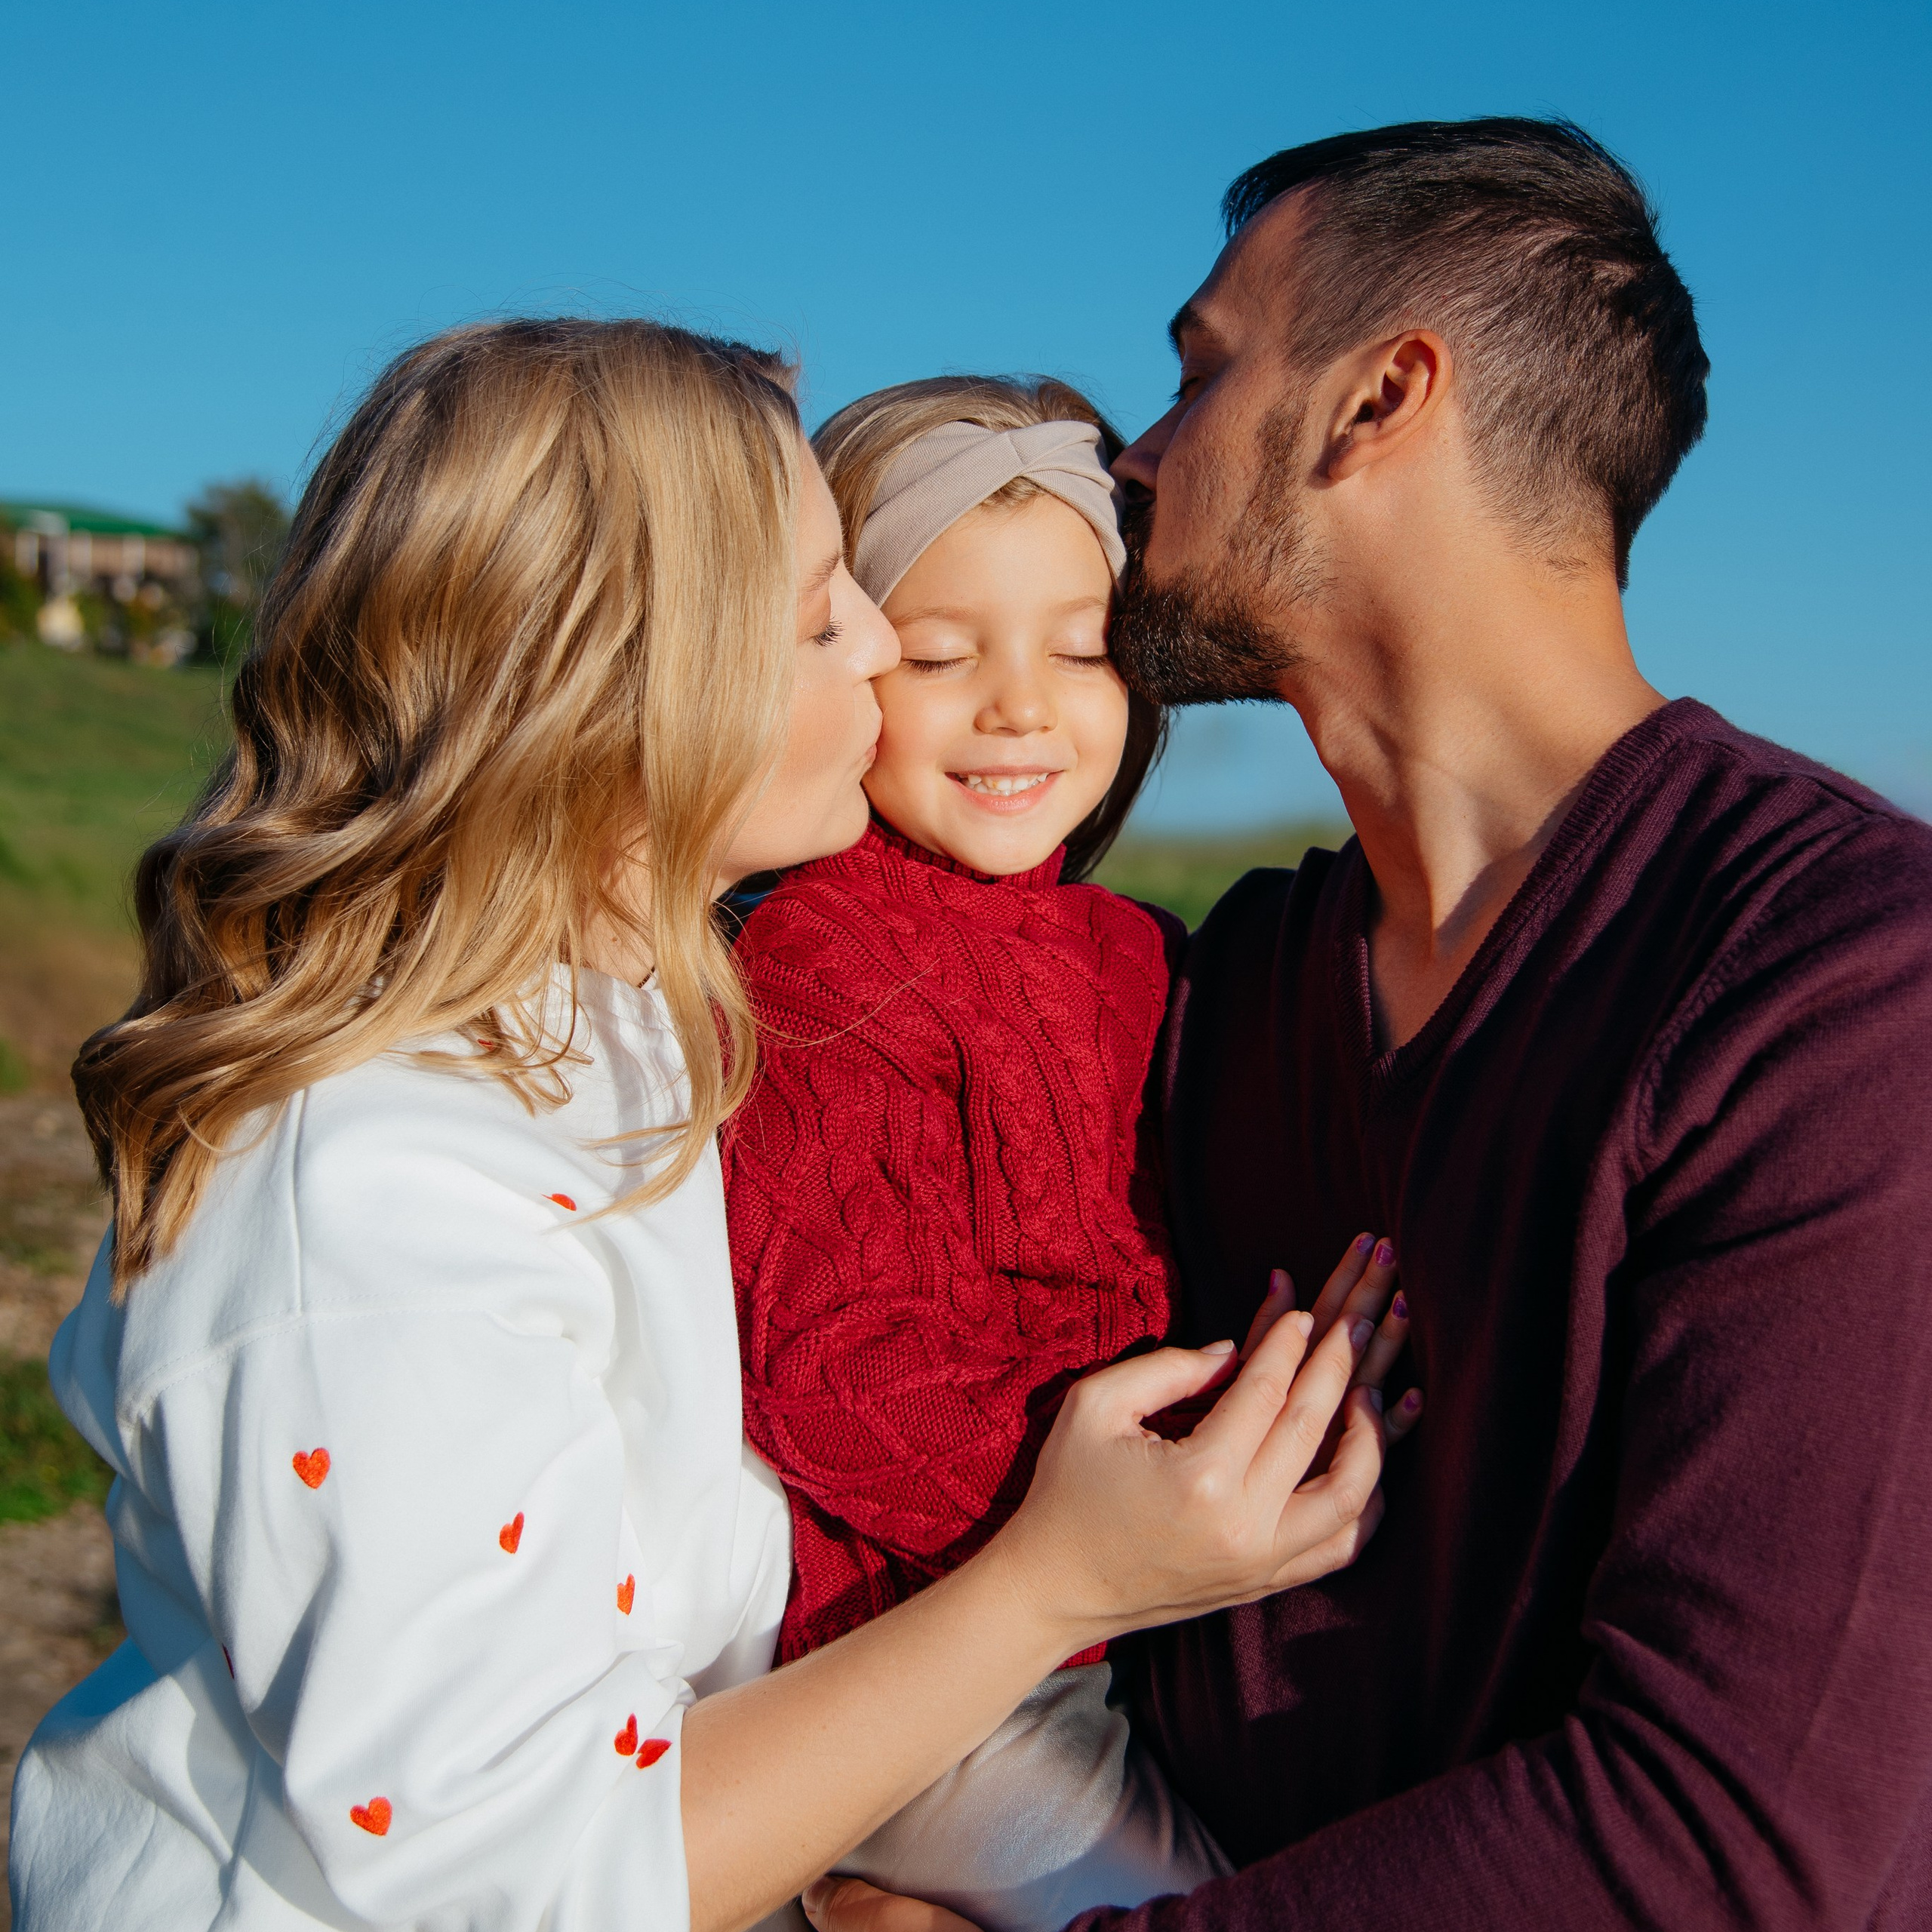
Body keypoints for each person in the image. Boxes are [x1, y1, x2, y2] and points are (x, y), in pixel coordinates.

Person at [7, 318, 1406, 1932]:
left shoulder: (629, 1026)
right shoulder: (369, 1204)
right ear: (602, 689)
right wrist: (1058, 1581)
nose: (881, 649)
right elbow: (529, 1876)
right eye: (822, 614)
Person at [806, 118, 1932, 1932]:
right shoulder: (1221, 988)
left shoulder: (1839, 984)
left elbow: (1727, 1845)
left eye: (1197, 370)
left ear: (1375, 402)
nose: (1133, 454)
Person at [724, 374, 1420, 1932]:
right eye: (939, 655)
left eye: (1081, 648)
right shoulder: (821, 962)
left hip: (1126, 1614)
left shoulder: (1134, 953)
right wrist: (1158, 1498)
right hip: (923, 1661)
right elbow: (836, 1376)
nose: (1019, 707)